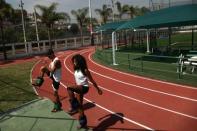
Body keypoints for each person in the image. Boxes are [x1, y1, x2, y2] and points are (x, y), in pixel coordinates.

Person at [67, 54, 103, 129]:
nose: (74, 63)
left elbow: (92, 81)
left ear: (79, 62)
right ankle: (83, 123)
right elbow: (77, 80)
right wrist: (76, 87)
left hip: (84, 88)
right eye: (73, 62)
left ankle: (73, 106)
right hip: (78, 88)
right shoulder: (76, 69)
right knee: (80, 107)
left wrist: (98, 89)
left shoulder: (85, 70)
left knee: (69, 88)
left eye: (75, 62)